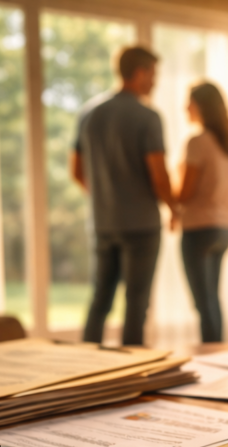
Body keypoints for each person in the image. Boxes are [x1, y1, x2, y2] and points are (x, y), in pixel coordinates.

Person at [72, 46, 174, 346]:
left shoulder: (89, 113)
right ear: (140, 73)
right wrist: (174, 208)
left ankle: (84, 365)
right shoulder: (147, 116)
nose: (154, 82)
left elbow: (77, 171)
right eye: (154, 75)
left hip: (103, 223)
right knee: (136, 303)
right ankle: (132, 375)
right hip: (141, 226)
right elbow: (159, 174)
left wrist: (105, 195)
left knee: (99, 298)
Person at [174, 82, 228, 343]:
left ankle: (212, 356)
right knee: (212, 299)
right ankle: (218, 352)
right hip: (224, 228)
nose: (185, 107)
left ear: (201, 105)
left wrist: (163, 191)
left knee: (203, 303)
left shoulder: (198, 142)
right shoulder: (227, 142)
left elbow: (185, 193)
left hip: (199, 229)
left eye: (190, 101)